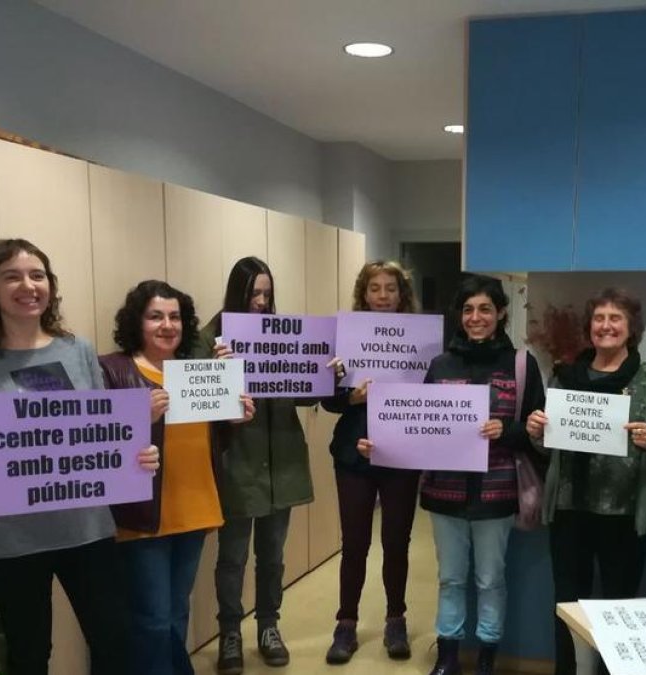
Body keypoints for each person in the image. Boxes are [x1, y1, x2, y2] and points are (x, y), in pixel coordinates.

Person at [0, 239, 159, 675]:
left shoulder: (77, 351)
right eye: (12, 276)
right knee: (30, 655)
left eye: (37, 275)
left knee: (114, 643)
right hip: (11, 538)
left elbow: (102, 430)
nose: (28, 286)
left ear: (50, 286)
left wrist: (136, 454)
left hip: (86, 529)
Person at [359, 275, 545, 675]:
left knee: (491, 580)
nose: (476, 318)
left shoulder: (520, 364)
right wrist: (383, 445)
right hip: (445, 493)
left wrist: (507, 430)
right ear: (459, 316)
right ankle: (448, 657)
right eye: (468, 310)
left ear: (501, 313)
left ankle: (486, 658)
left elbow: (538, 430)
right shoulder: (441, 365)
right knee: (450, 579)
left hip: (497, 492)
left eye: (485, 309)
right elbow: (419, 425)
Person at [525, 288, 646, 675]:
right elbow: (549, 447)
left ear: (632, 328)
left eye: (616, 318)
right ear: (589, 326)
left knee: (620, 609)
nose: (606, 326)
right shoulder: (565, 376)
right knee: (567, 606)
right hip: (569, 509)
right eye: (599, 318)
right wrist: (536, 433)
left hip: (625, 513)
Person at [99, 280, 254, 675]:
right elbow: (97, 442)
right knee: (152, 618)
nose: (167, 325)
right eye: (156, 316)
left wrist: (234, 417)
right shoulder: (113, 369)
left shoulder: (195, 371)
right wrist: (139, 416)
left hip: (195, 506)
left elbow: (210, 438)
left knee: (175, 613)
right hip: (143, 514)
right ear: (136, 322)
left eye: (175, 317)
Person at [204, 256, 337, 673]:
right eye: (253, 293)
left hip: (282, 462)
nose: (261, 302)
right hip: (238, 463)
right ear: (236, 292)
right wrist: (216, 370)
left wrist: (325, 374)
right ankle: (229, 632)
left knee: (273, 555)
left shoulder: (284, 336)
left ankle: (268, 626)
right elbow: (196, 400)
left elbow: (304, 395)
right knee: (232, 557)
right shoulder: (211, 338)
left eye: (266, 294)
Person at [322, 261, 422, 664]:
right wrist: (353, 398)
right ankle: (345, 624)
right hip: (353, 454)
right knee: (355, 543)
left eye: (390, 289)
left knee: (397, 541)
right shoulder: (345, 339)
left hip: (402, 453)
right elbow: (327, 400)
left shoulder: (421, 341)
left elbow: (433, 396)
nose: (383, 296)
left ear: (402, 295)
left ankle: (396, 619)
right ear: (363, 294)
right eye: (375, 288)